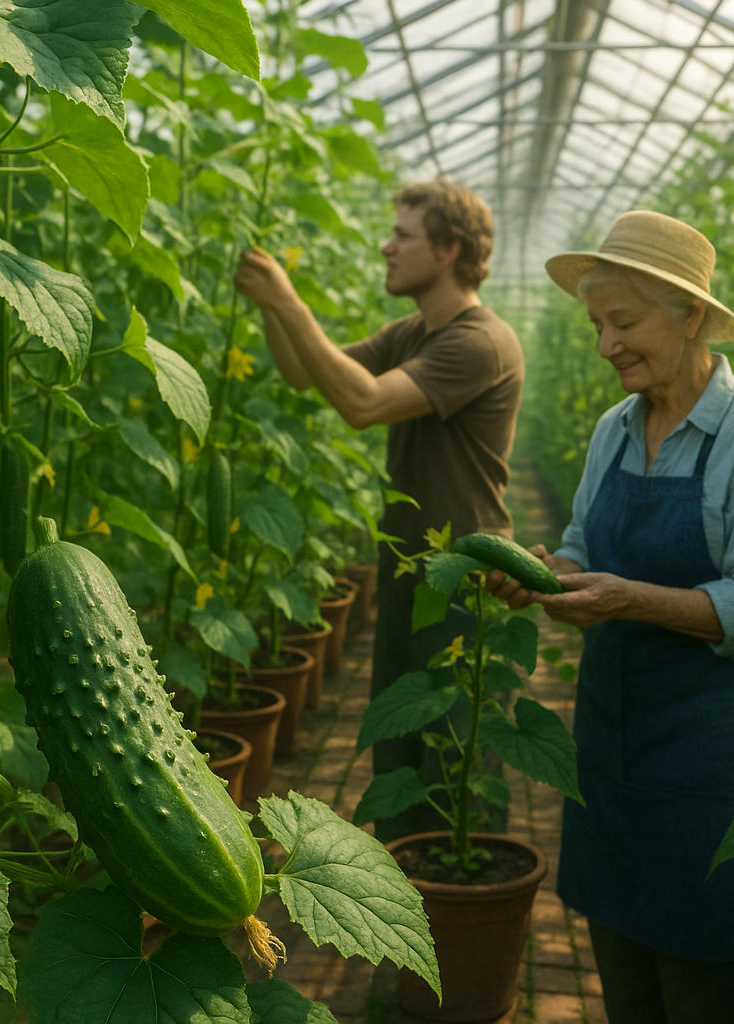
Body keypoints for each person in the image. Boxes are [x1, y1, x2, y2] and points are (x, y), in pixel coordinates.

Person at [488, 210, 734, 1024]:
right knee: (623, 969)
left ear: (689, 314)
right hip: (616, 734)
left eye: (623, 322)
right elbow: (581, 546)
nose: (606, 346)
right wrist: (543, 576)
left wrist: (628, 598)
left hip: (716, 753)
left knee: (702, 973)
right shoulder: (614, 430)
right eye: (597, 325)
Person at [234, 180, 524, 838]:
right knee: (402, 754)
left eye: (404, 236)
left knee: (457, 758)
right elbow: (307, 373)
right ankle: (412, 899)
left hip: (463, 581)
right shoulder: (413, 333)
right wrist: (268, 310)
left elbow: (362, 403)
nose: (386, 246)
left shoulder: (479, 341)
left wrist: (288, 298)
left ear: (449, 250)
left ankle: (467, 902)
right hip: (407, 568)